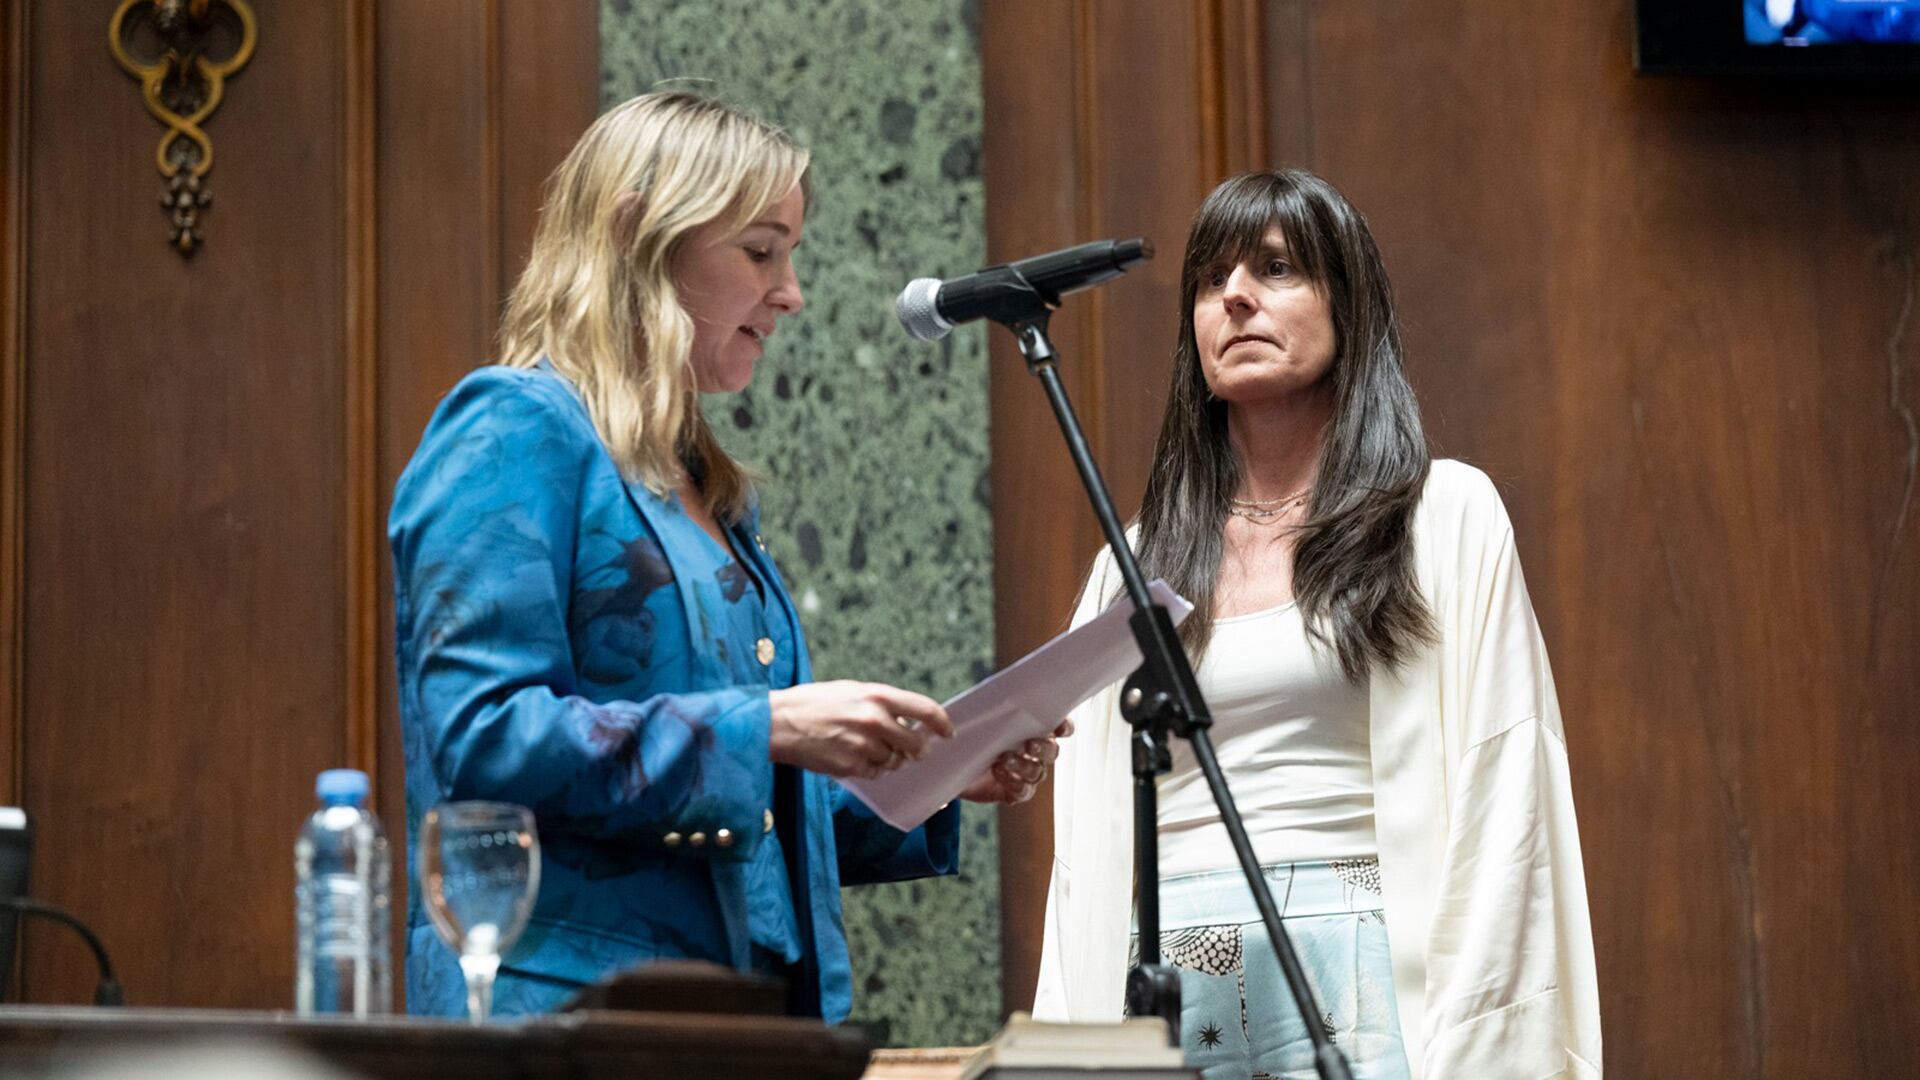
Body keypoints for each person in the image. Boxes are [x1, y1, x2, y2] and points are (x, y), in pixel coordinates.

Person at [390, 91, 1058, 1021]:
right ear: (642, 234)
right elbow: (481, 739)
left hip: (738, 1018)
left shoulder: (697, 484)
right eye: (760, 250)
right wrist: (767, 725)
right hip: (564, 1020)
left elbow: (735, 821)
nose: (791, 291)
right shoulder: (512, 426)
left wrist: (929, 775)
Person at [1033, 170, 1600, 1079]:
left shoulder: (1442, 515)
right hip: (1170, 973)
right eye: (1210, 281)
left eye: (1277, 268)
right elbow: (1085, 852)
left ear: (1351, 304)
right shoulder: (1133, 559)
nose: (1236, 298)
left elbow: (1507, 792)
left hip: (1369, 967)